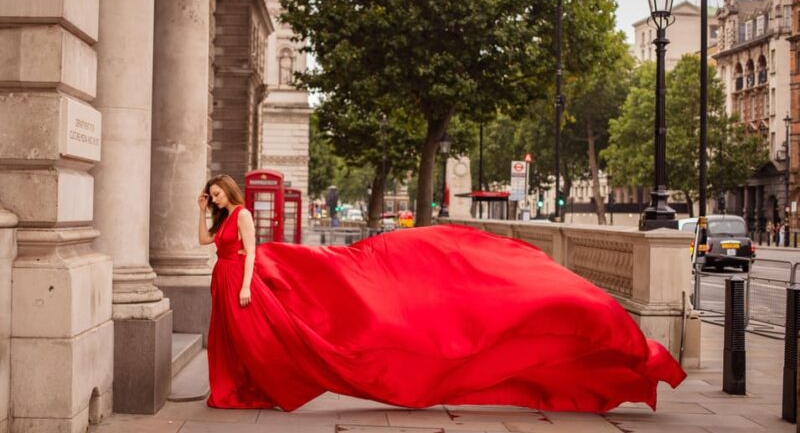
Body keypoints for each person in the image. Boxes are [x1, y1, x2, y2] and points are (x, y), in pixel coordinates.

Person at [199, 175, 685, 413]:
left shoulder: (244, 216)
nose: (216, 198)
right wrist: (200, 208)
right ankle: (242, 384)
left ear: (230, 193)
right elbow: (205, 241)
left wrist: (245, 286)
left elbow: (253, 253)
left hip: (243, 282)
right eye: (212, 195)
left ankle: (627, 358)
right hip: (231, 282)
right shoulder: (219, 217)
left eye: (217, 194)